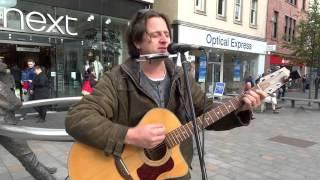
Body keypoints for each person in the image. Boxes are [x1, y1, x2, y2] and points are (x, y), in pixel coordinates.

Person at [65, 9, 266, 179]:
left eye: (166, 35)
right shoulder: (118, 79)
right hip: (128, 172)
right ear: (137, 42)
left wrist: (240, 108)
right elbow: (78, 118)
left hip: (175, 169)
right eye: (155, 35)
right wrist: (131, 135)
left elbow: (207, 114)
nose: (164, 40)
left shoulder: (181, 77)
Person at [0, 61, 57, 180]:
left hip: (5, 123)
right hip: (4, 125)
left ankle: (44, 169)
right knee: (25, 154)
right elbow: (15, 103)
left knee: (26, 152)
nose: (6, 66)